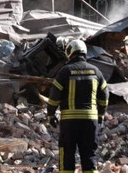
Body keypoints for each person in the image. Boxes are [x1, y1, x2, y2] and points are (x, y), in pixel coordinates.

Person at [47, 40, 108, 173]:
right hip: (90, 121)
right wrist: (100, 114)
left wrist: (51, 114)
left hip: (70, 122)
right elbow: (104, 95)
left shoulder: (65, 71)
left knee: (67, 154)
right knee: (89, 155)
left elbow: (54, 97)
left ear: (70, 53)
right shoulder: (96, 71)